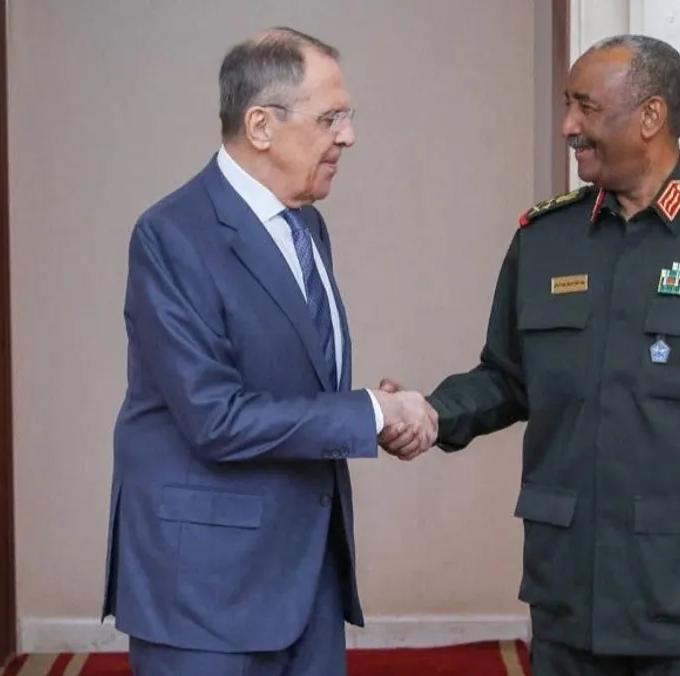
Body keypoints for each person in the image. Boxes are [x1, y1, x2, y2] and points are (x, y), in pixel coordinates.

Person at [379, 34, 680, 676]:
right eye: (567, 106)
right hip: (573, 600)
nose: (569, 127)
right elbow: (508, 377)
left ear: (651, 115)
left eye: (587, 107)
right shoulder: (546, 238)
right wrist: (431, 413)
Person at [101, 27, 437, 676]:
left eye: (348, 117)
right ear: (261, 125)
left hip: (306, 578)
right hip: (205, 595)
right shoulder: (172, 235)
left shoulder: (307, 224)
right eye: (331, 118)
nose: (348, 136)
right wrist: (368, 413)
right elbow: (215, 417)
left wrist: (373, 408)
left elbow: (295, 383)